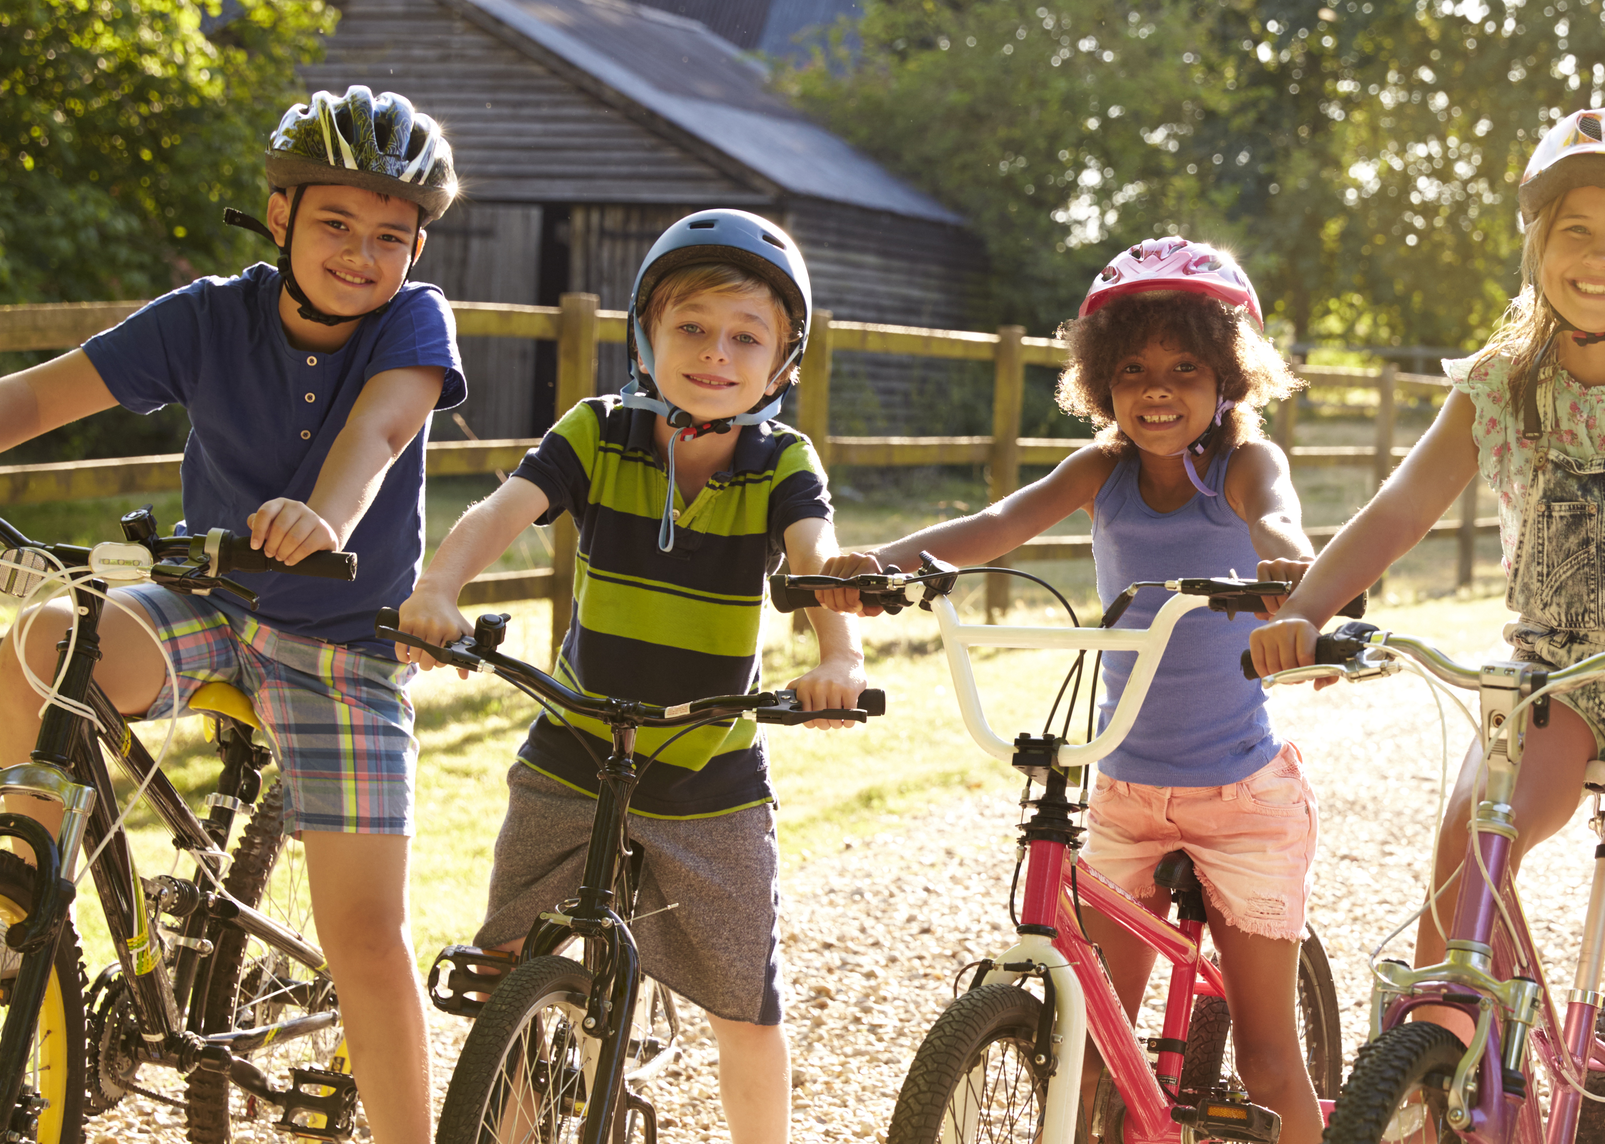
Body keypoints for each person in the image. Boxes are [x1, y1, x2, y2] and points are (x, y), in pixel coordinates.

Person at [1249, 102, 1605, 1142]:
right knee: (1465, 883)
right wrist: (1305, 613)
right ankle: (1469, 1076)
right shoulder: (1502, 384)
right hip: (1552, 678)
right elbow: (1402, 505)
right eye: (1574, 233)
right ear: (1537, 244)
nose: (1598, 259)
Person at [0, 85, 463, 1143]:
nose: (362, 253)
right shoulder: (209, 314)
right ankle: (24, 904)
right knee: (40, 642)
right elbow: (33, 399)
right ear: (280, 211)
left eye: (392, 235)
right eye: (336, 223)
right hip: (209, 600)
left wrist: (320, 512)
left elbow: (383, 431)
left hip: (344, 643)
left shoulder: (413, 320)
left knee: (365, 936)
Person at [395, 209, 873, 1144]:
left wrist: (839, 657)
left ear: (780, 367)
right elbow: (501, 510)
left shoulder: (781, 460)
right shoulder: (597, 432)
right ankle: (513, 1118)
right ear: (645, 337)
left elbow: (817, 560)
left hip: (709, 771)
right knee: (505, 968)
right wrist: (437, 589)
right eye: (691, 327)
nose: (715, 354)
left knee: (745, 999)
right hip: (575, 744)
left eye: (746, 338)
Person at [859, 237, 1318, 1144]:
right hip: (1127, 791)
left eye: (1185, 367)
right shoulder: (1100, 473)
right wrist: (876, 565)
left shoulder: (1243, 464)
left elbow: (1279, 517)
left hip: (1242, 796)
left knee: (1266, 1062)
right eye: (1133, 368)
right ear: (1100, 379)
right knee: (1097, 1050)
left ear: (1229, 377)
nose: (1157, 388)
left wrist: (1289, 565)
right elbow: (994, 524)